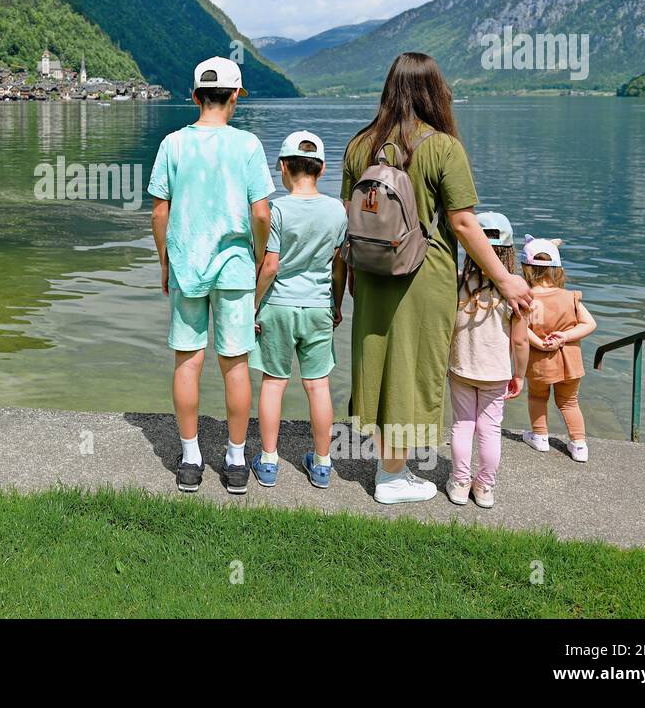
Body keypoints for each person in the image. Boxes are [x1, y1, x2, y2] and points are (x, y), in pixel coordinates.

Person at [341, 53, 532, 505]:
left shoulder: (358, 145)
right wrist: (505, 279)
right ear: (435, 92)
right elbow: (464, 224)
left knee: (380, 362)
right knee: (411, 368)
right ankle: (392, 477)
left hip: (369, 271)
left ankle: (390, 466)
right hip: (423, 278)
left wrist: (347, 274)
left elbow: (347, 219)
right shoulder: (443, 147)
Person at [148, 57, 273, 494]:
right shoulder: (248, 146)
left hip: (186, 264)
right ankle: (236, 462)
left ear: (195, 95)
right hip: (237, 268)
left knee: (188, 360)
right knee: (236, 364)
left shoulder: (173, 144)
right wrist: (257, 254)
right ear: (236, 95)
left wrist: (165, 260)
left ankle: (190, 458)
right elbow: (261, 213)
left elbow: (159, 211)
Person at [248, 130, 347, 489]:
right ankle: (321, 464)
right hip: (319, 305)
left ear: (282, 168)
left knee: (273, 383)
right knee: (318, 385)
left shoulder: (276, 210)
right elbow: (339, 264)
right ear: (321, 170)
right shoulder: (337, 210)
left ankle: (270, 461)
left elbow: (270, 266)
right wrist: (336, 303)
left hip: (277, 305)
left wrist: (252, 306)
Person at [446, 212, 529, 509]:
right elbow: (520, 341)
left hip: (460, 369)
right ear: (509, 250)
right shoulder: (516, 290)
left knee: (462, 425)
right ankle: (484, 487)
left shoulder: (456, 284)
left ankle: (459, 483)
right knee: (490, 429)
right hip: (496, 373)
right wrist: (519, 374)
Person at [520, 236, 597, 463]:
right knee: (569, 401)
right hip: (570, 361)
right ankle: (579, 445)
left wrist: (541, 344)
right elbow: (590, 324)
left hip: (540, 360)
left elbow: (522, 328)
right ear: (557, 270)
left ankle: (540, 437)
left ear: (526, 269)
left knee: (537, 396)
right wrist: (564, 336)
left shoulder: (528, 299)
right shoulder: (570, 297)